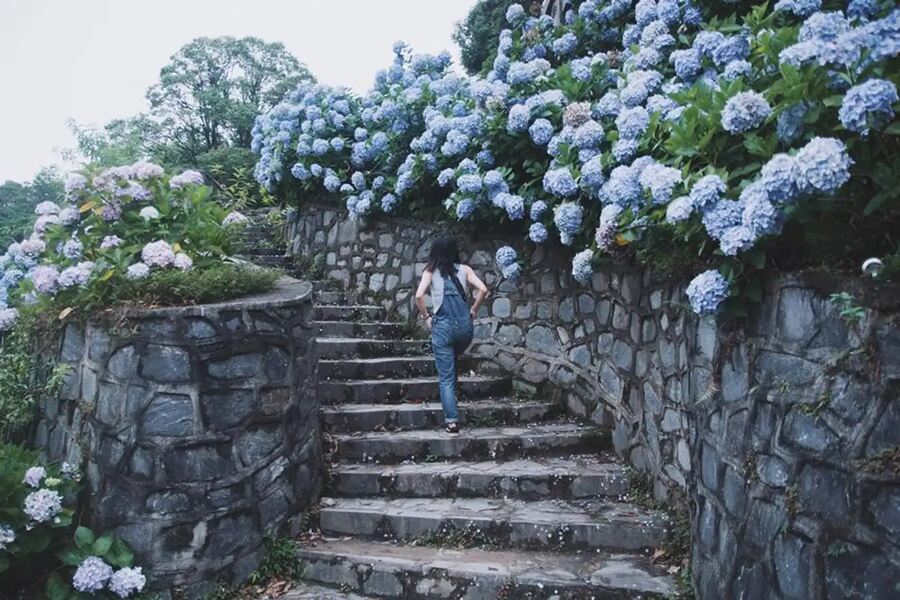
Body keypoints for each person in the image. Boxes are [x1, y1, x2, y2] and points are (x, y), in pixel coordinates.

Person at [415, 234, 489, 433]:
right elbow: (483, 289)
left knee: (446, 376)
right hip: (465, 329)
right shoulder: (465, 270)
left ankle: (452, 421)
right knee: (452, 363)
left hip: (443, 328)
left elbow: (419, 295)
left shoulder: (430, 271)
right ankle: (453, 402)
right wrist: (473, 310)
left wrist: (426, 318)